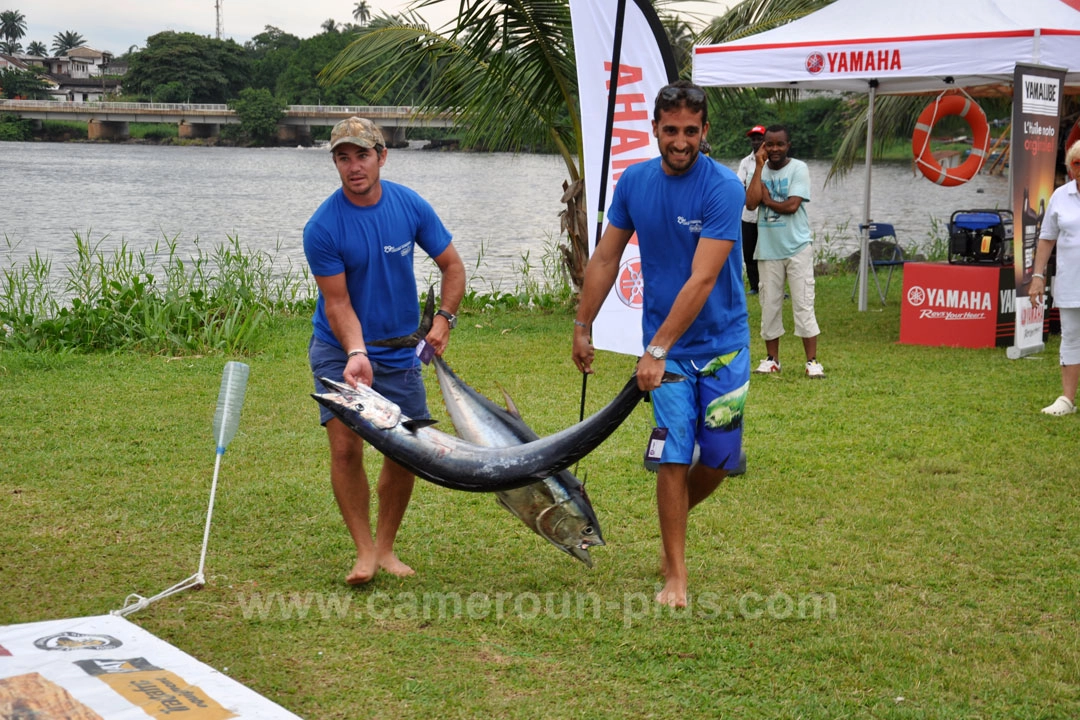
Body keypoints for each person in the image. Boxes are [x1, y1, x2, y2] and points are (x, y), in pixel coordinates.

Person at [572, 80, 749, 608]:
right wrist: (584, 325)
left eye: (690, 131)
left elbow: (702, 278)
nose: (680, 141)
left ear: (704, 132)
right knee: (672, 457)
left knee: (718, 457)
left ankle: (674, 524)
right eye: (670, 130)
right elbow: (605, 258)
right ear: (655, 129)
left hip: (723, 345)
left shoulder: (723, 188)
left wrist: (655, 349)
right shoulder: (634, 182)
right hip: (667, 353)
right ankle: (675, 570)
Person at [303, 116, 466, 584]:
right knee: (345, 447)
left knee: (405, 451)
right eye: (343, 157)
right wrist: (356, 351)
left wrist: (443, 320)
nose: (354, 166)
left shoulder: (409, 205)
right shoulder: (323, 227)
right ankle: (364, 551)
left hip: (400, 353)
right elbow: (338, 303)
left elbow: (452, 266)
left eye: (363, 155)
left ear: (382, 156)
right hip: (340, 349)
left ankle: (388, 548)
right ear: (335, 162)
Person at [745, 124, 825, 379]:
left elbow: (792, 206)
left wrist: (768, 201)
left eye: (780, 144)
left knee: (803, 303)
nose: (775, 149)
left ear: (788, 145)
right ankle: (772, 360)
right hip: (768, 250)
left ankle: (812, 362)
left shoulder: (798, 168)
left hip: (797, 248)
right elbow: (750, 202)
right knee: (769, 306)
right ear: (763, 146)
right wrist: (759, 167)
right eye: (769, 144)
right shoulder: (757, 169)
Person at [1030, 139, 1080, 416]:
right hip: (1072, 282)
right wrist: (1038, 276)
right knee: (1071, 337)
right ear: (1070, 168)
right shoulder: (1060, 196)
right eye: (1077, 163)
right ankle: (1067, 400)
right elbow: (1047, 238)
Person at [736, 125, 766, 294]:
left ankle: (772, 286)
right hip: (748, 216)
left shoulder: (772, 161)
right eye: (753, 139)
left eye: (759, 138)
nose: (756, 142)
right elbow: (739, 183)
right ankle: (755, 286)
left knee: (769, 252)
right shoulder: (745, 162)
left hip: (767, 215)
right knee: (749, 252)